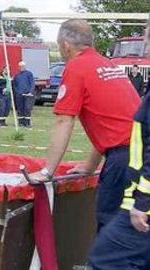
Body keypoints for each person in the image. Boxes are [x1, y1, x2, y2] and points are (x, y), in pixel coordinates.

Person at [29, 19, 141, 232]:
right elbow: (112, 126)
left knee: (111, 232)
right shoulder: (107, 64)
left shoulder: (76, 67)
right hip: (138, 151)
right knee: (133, 229)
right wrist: (90, 166)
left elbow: (64, 120)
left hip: (125, 159)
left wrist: (47, 171)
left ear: (65, 45)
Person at [88, 22, 150, 270]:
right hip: (135, 196)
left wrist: (142, 204)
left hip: (142, 206)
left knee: (106, 259)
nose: (145, 40)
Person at [13, 61, 35, 127]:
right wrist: (17, 92)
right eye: (20, 66)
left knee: (27, 108)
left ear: (25, 66)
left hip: (27, 94)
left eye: (23, 66)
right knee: (20, 108)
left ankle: (27, 123)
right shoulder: (17, 75)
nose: (21, 67)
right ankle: (21, 122)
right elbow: (14, 85)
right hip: (19, 94)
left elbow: (32, 83)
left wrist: (30, 91)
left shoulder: (29, 74)